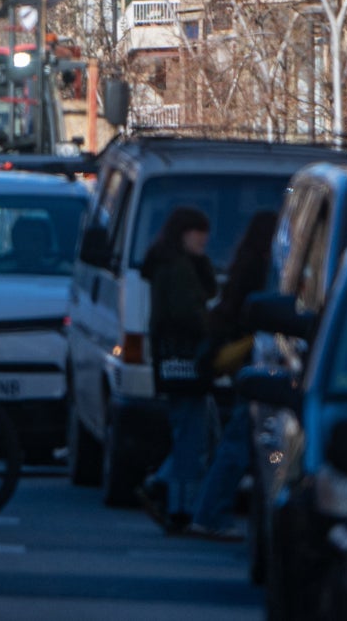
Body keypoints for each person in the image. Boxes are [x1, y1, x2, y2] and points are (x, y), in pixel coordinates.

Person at [178, 209, 280, 539]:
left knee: (236, 441)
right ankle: (209, 514)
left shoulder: (244, 264)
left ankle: (207, 511)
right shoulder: (262, 270)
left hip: (246, 359)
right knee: (238, 442)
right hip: (256, 357)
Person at [136, 205, 218, 526]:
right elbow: (189, 313)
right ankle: (176, 502)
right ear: (183, 233)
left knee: (189, 428)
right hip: (186, 357)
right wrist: (210, 331)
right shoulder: (179, 269)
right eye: (198, 234)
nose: (204, 240)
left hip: (170, 360)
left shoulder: (168, 264)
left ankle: (165, 488)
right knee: (192, 433)